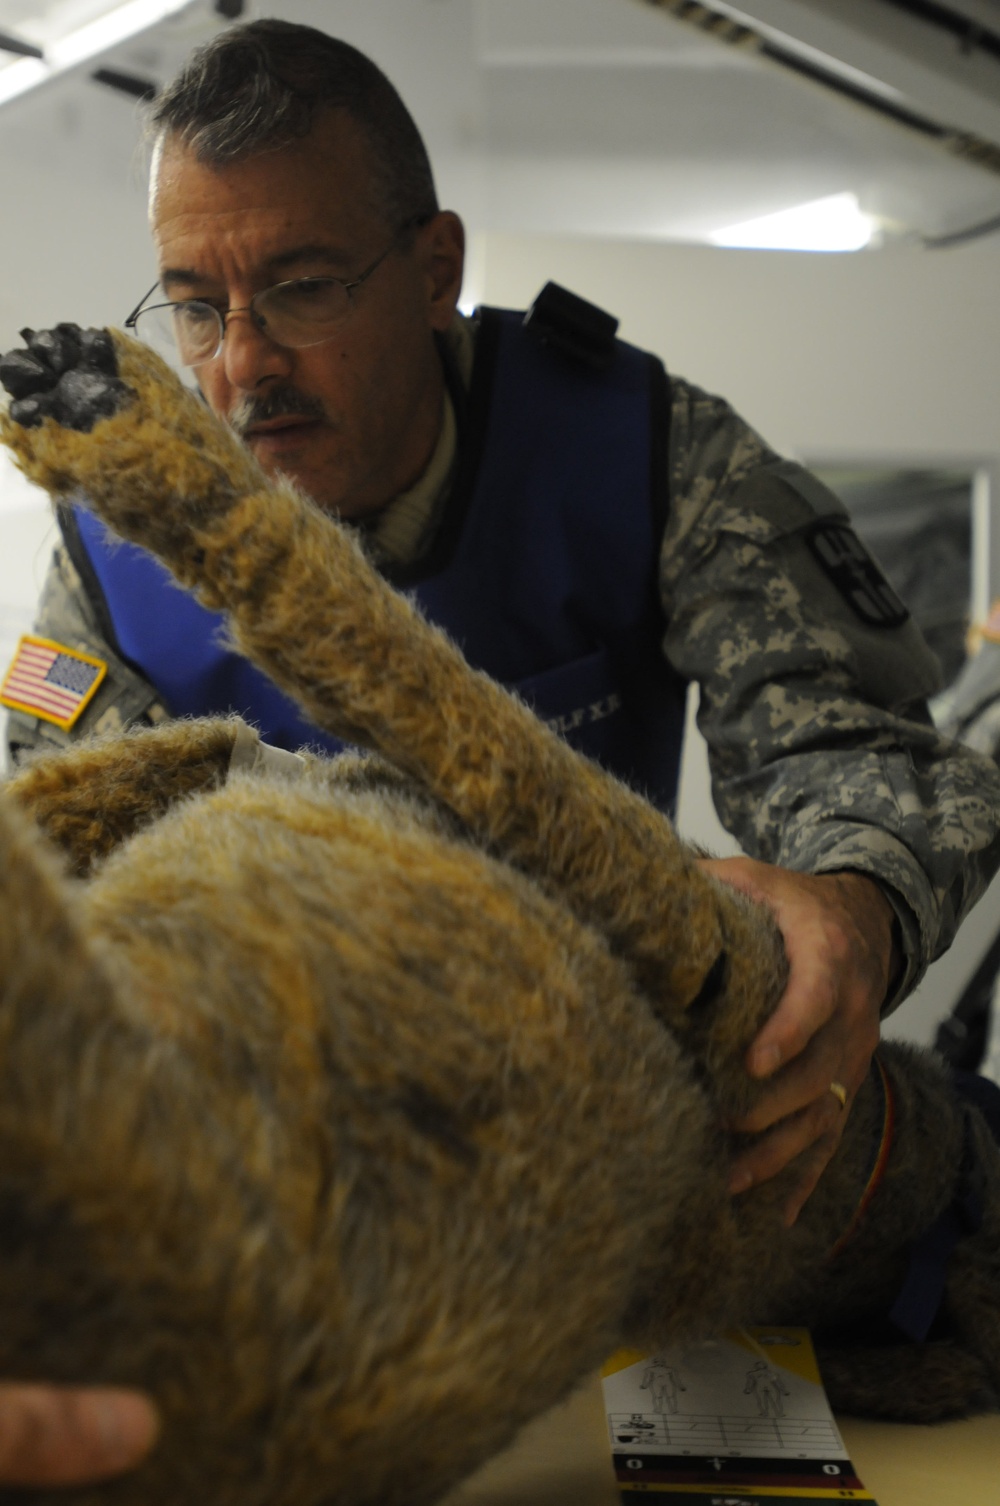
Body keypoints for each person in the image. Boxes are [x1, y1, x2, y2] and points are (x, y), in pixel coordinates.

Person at [2, 16, 1000, 1483]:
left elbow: (848, 739)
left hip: (601, 1096)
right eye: (194, 307)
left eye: (301, 286)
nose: (239, 370)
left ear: (434, 269)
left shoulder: (637, 449)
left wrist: (853, 900)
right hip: (308, 1164)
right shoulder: (112, 546)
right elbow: (69, 870)